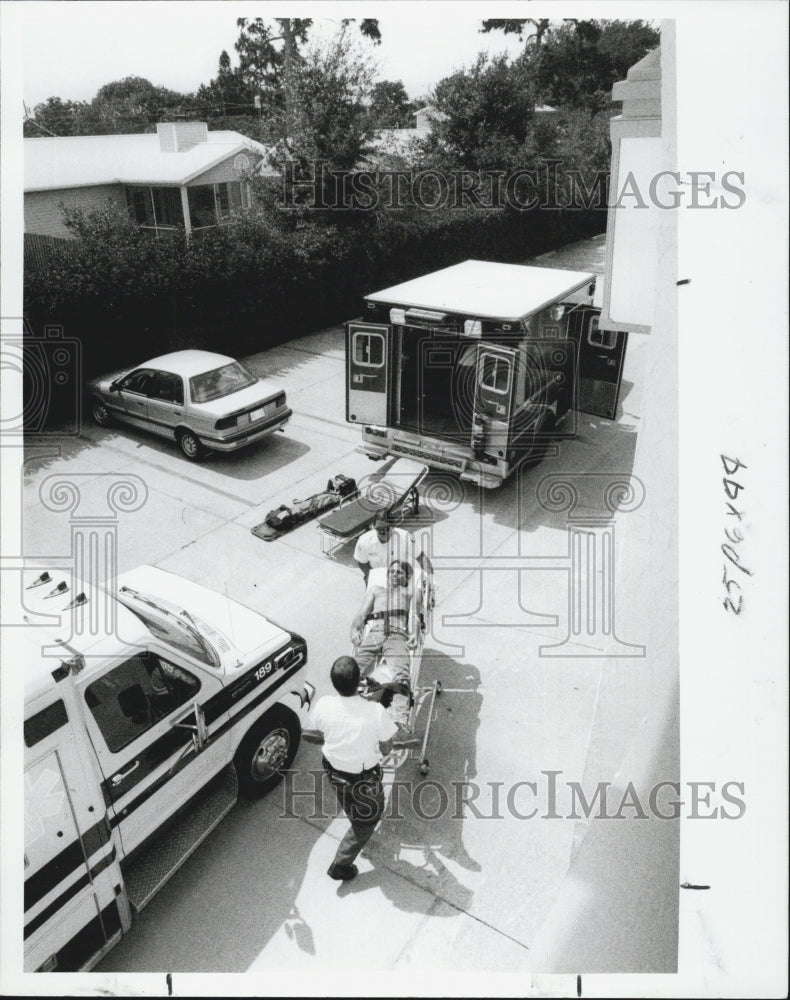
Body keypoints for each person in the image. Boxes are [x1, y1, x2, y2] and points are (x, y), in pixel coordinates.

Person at [304, 656, 398, 882]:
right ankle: (341, 864)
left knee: (349, 803)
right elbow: (386, 749)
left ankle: (354, 816)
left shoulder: (324, 704)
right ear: (360, 682)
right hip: (363, 780)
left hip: (335, 773)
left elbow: (310, 733)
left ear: (334, 683)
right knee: (367, 820)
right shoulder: (375, 711)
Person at [351, 560, 420, 741]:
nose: (394, 576)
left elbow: (414, 614)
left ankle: (399, 726)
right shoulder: (376, 590)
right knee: (352, 671)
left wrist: (414, 632)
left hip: (397, 635)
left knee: (401, 676)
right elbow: (362, 613)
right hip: (376, 632)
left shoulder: (411, 592)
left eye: (399, 573)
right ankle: (346, 715)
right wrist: (355, 629)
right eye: (391, 572)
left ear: (408, 577)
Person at [353, 510, 423, 586]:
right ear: (373, 526)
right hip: (376, 574)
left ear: (393, 526)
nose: (382, 532)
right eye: (378, 529)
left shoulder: (406, 537)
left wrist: (430, 577)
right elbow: (362, 563)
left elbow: (421, 558)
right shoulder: (364, 540)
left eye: (386, 529)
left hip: (398, 575)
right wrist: (374, 576)